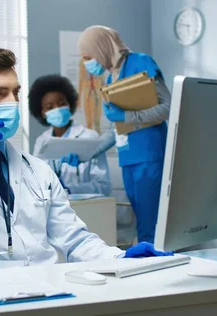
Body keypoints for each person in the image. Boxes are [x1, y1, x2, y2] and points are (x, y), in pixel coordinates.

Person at [0, 47, 171, 273]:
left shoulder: (37, 169)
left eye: (16, 92)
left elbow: (74, 240)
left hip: (48, 293)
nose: (13, 102)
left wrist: (121, 258)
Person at [77, 25, 171, 244]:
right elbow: (116, 129)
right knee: (142, 225)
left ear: (101, 48)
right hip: (128, 158)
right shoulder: (111, 79)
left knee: (151, 227)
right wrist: (86, 154)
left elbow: (167, 108)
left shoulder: (141, 62)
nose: (89, 64)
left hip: (149, 156)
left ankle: (157, 273)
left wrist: (127, 116)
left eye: (88, 57)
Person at [29, 74, 111, 196]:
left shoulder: (89, 138)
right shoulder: (41, 141)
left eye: (62, 103)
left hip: (86, 208)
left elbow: (103, 187)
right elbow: (36, 181)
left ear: (70, 104)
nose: (57, 109)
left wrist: (70, 189)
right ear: (42, 113)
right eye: (49, 107)